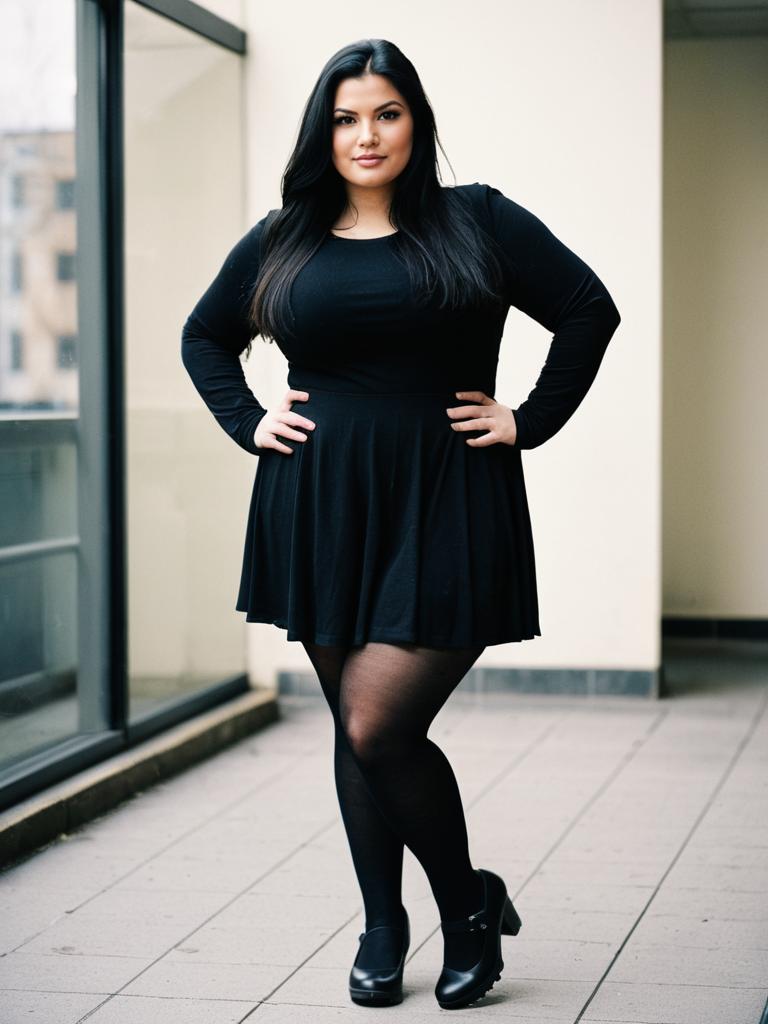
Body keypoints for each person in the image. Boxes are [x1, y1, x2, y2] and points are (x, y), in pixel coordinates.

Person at [181, 38, 621, 1012]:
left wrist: (529, 419)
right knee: (356, 726)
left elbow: (590, 308)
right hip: (321, 504)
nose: (366, 134)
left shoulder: (477, 220)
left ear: (415, 120)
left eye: (385, 112)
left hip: (449, 498)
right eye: (346, 118)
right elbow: (204, 335)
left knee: (378, 723)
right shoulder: (285, 237)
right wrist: (248, 421)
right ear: (323, 132)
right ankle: (383, 926)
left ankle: (466, 905)